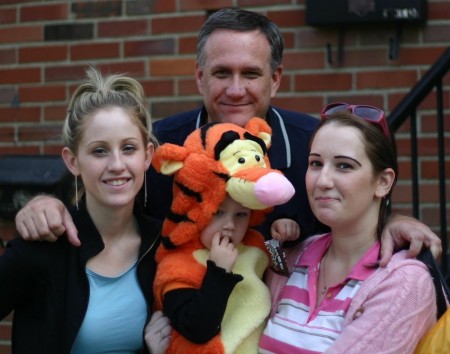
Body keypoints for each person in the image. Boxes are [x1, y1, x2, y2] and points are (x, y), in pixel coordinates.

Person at [14, 8, 440, 265]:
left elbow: (361, 213)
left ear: (275, 79)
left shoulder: (315, 144)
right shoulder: (161, 145)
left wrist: (396, 220)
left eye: (250, 74)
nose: (235, 89)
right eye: (221, 73)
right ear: (200, 77)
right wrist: (49, 203)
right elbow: (108, 196)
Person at [0, 67, 171, 354]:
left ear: (147, 156)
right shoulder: (45, 244)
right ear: (73, 161)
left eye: (128, 148)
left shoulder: (162, 243)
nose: (117, 164)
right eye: (99, 151)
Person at [259, 103, 437, 354]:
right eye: (316, 163)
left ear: (383, 182)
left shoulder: (404, 282)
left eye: (344, 166)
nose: (323, 181)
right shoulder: (292, 257)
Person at [152, 117, 296, 354]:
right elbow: (195, 328)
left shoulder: (255, 243)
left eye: (241, 215)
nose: (229, 225)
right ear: (196, 210)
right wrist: (218, 272)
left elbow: (281, 271)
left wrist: (284, 236)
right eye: (217, 213)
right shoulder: (178, 264)